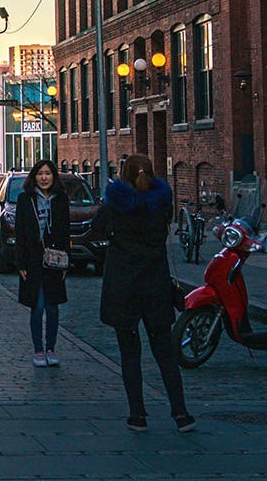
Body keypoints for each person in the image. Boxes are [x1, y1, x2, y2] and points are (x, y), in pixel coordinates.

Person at [93, 155, 194, 434]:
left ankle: (138, 416)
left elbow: (95, 233)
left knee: (130, 354)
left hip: (123, 287)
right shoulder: (162, 206)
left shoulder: (113, 207)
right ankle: (181, 413)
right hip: (155, 286)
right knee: (164, 353)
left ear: (122, 176)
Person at [13, 159, 70, 367]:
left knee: (53, 308)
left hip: (55, 260)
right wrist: (20, 264)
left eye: (47, 173)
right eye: (40, 174)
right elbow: (20, 233)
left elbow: (65, 232)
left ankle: (51, 349)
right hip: (33, 260)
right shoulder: (25, 199)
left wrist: (66, 262)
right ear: (34, 177)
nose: (44, 178)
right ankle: (38, 350)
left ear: (53, 176)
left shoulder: (61, 199)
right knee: (37, 307)